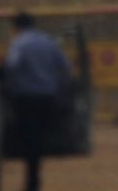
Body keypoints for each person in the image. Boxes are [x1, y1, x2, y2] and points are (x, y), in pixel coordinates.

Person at [5, 11, 75, 191]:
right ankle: (34, 178)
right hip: (48, 98)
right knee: (39, 139)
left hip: (25, 100)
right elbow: (65, 69)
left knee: (28, 139)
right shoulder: (48, 42)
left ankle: (31, 180)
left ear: (16, 27)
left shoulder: (19, 44)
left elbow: (12, 67)